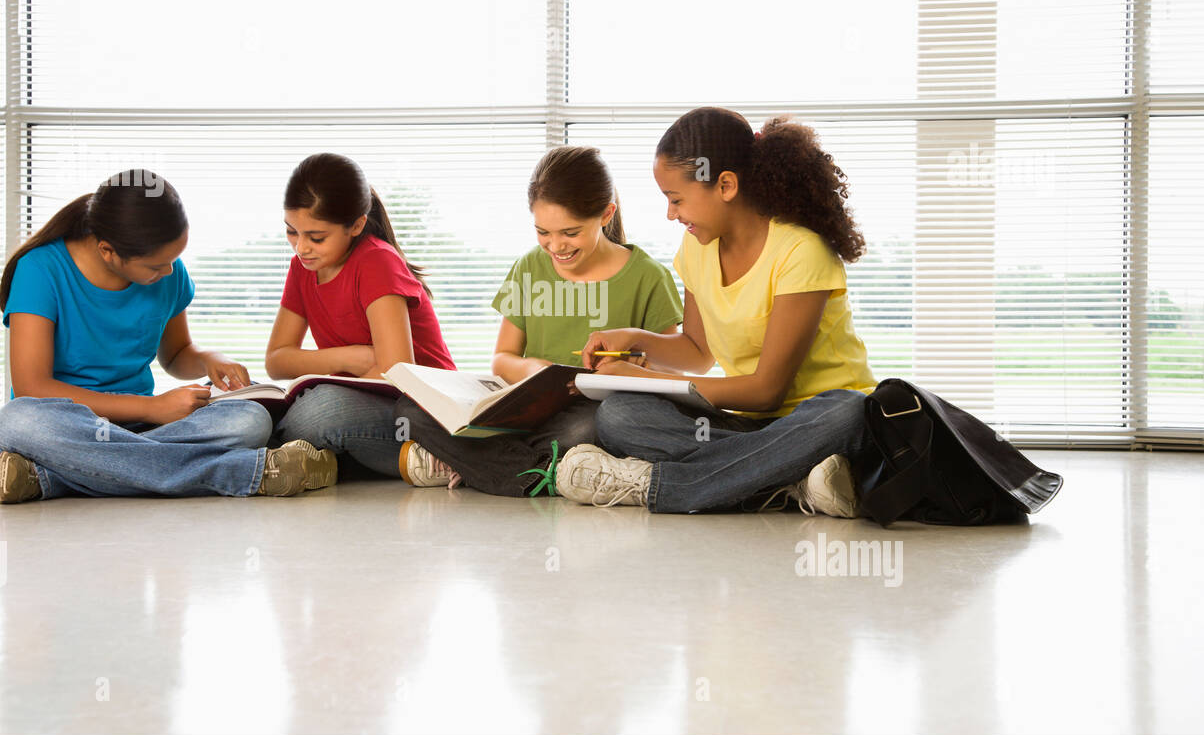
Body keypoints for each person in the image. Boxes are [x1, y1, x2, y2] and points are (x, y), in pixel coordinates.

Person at [553, 110, 878, 516]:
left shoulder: (801, 251)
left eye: (676, 199)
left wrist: (647, 378)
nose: (671, 214)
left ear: (725, 184)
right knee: (621, 415)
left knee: (849, 412)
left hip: (816, 421)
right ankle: (790, 481)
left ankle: (663, 485)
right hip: (750, 430)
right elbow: (697, 351)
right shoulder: (697, 249)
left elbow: (766, 391)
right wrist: (636, 341)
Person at [0, 170, 335, 504]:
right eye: (156, 266)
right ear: (108, 250)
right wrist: (153, 407)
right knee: (17, 422)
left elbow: (176, 354)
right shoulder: (40, 270)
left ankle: (53, 476)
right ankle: (244, 472)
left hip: (142, 428)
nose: (169, 272)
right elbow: (31, 388)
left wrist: (208, 359)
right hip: (69, 423)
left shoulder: (168, 273)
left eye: (174, 259)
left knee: (251, 420)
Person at [394, 145, 683, 496]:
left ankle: (483, 467)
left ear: (606, 215)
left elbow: (673, 373)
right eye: (543, 232)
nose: (555, 245)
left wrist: (635, 369)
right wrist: (532, 370)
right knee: (410, 408)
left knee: (592, 426)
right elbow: (502, 358)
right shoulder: (528, 267)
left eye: (570, 233)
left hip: (588, 412)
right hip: (524, 411)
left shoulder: (647, 277)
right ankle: (543, 471)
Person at [266, 152, 455, 479]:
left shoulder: (377, 262)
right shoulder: (302, 267)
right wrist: (353, 358)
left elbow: (396, 373)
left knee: (319, 412)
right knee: (259, 415)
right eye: (291, 232)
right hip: (365, 401)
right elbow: (277, 361)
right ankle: (394, 461)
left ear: (356, 225)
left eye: (316, 237)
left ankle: (438, 454)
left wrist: (330, 367)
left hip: (424, 409)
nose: (300, 248)